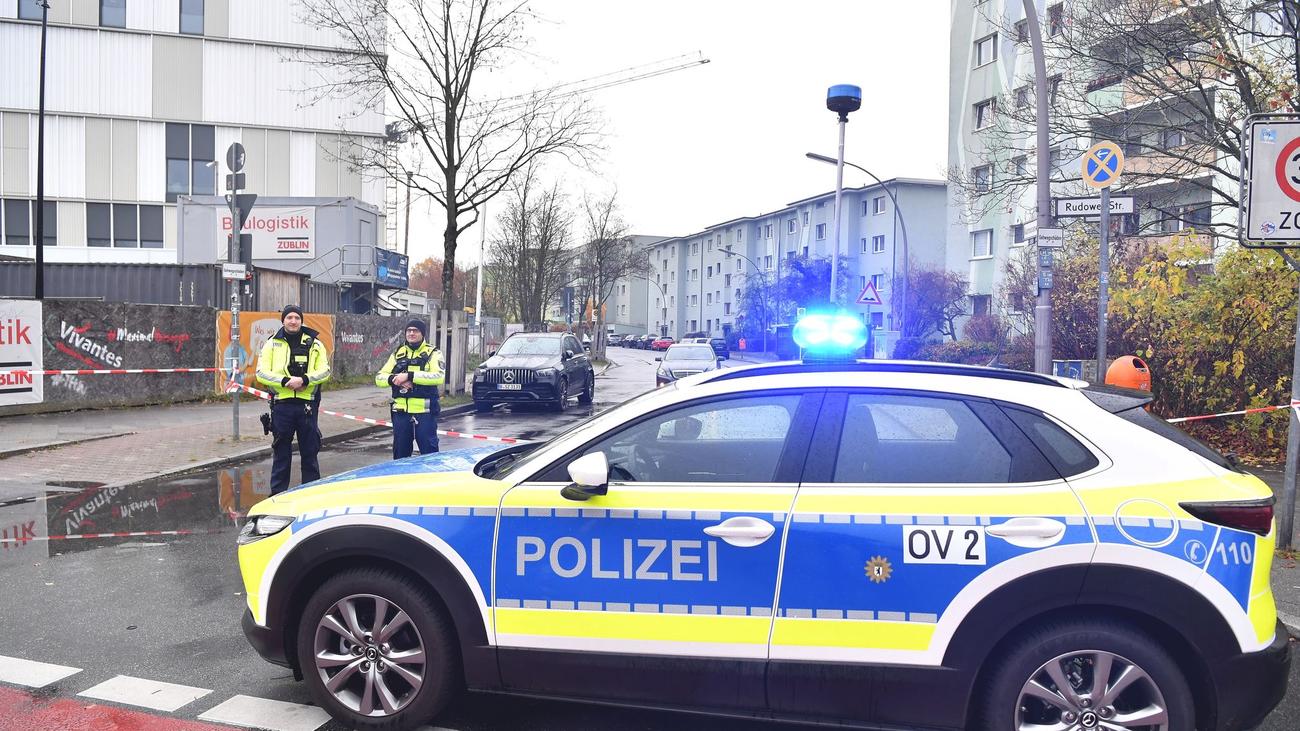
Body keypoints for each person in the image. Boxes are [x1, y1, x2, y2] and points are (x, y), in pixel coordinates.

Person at [256, 305, 331, 494]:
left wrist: (304, 380)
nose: (293, 321)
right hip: (282, 405)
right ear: (283, 320)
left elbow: (325, 371)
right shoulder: (272, 343)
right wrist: (285, 381)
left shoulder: (315, 344)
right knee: (281, 454)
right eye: (289, 317)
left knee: (310, 453)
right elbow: (261, 373)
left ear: (301, 321)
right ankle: (277, 496)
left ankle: (311, 495)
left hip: (308, 405)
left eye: (297, 318)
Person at [375, 319, 444, 459]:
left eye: (415, 330)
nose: (411, 333)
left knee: (430, 457)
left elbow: (439, 377)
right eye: (409, 330)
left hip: (424, 414)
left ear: (422, 334)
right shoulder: (398, 353)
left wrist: (410, 376)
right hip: (401, 414)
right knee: (400, 456)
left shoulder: (433, 353)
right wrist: (395, 379)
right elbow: (379, 378)